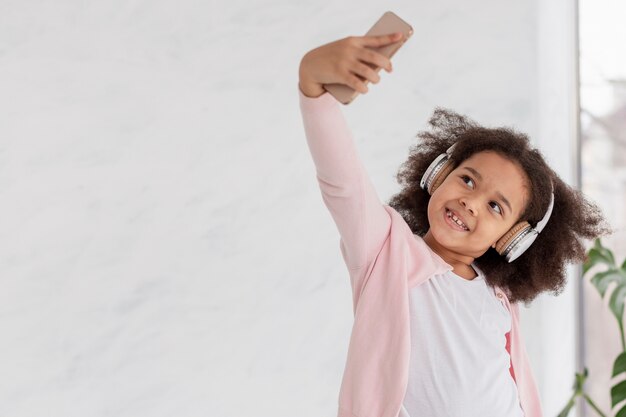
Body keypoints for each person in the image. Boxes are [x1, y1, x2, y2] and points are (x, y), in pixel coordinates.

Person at [297, 32, 612, 417]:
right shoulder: (387, 252)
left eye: (496, 206)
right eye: (467, 179)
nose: (470, 201)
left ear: (512, 239)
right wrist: (315, 91)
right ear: (437, 174)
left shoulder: (497, 296)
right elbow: (342, 183)